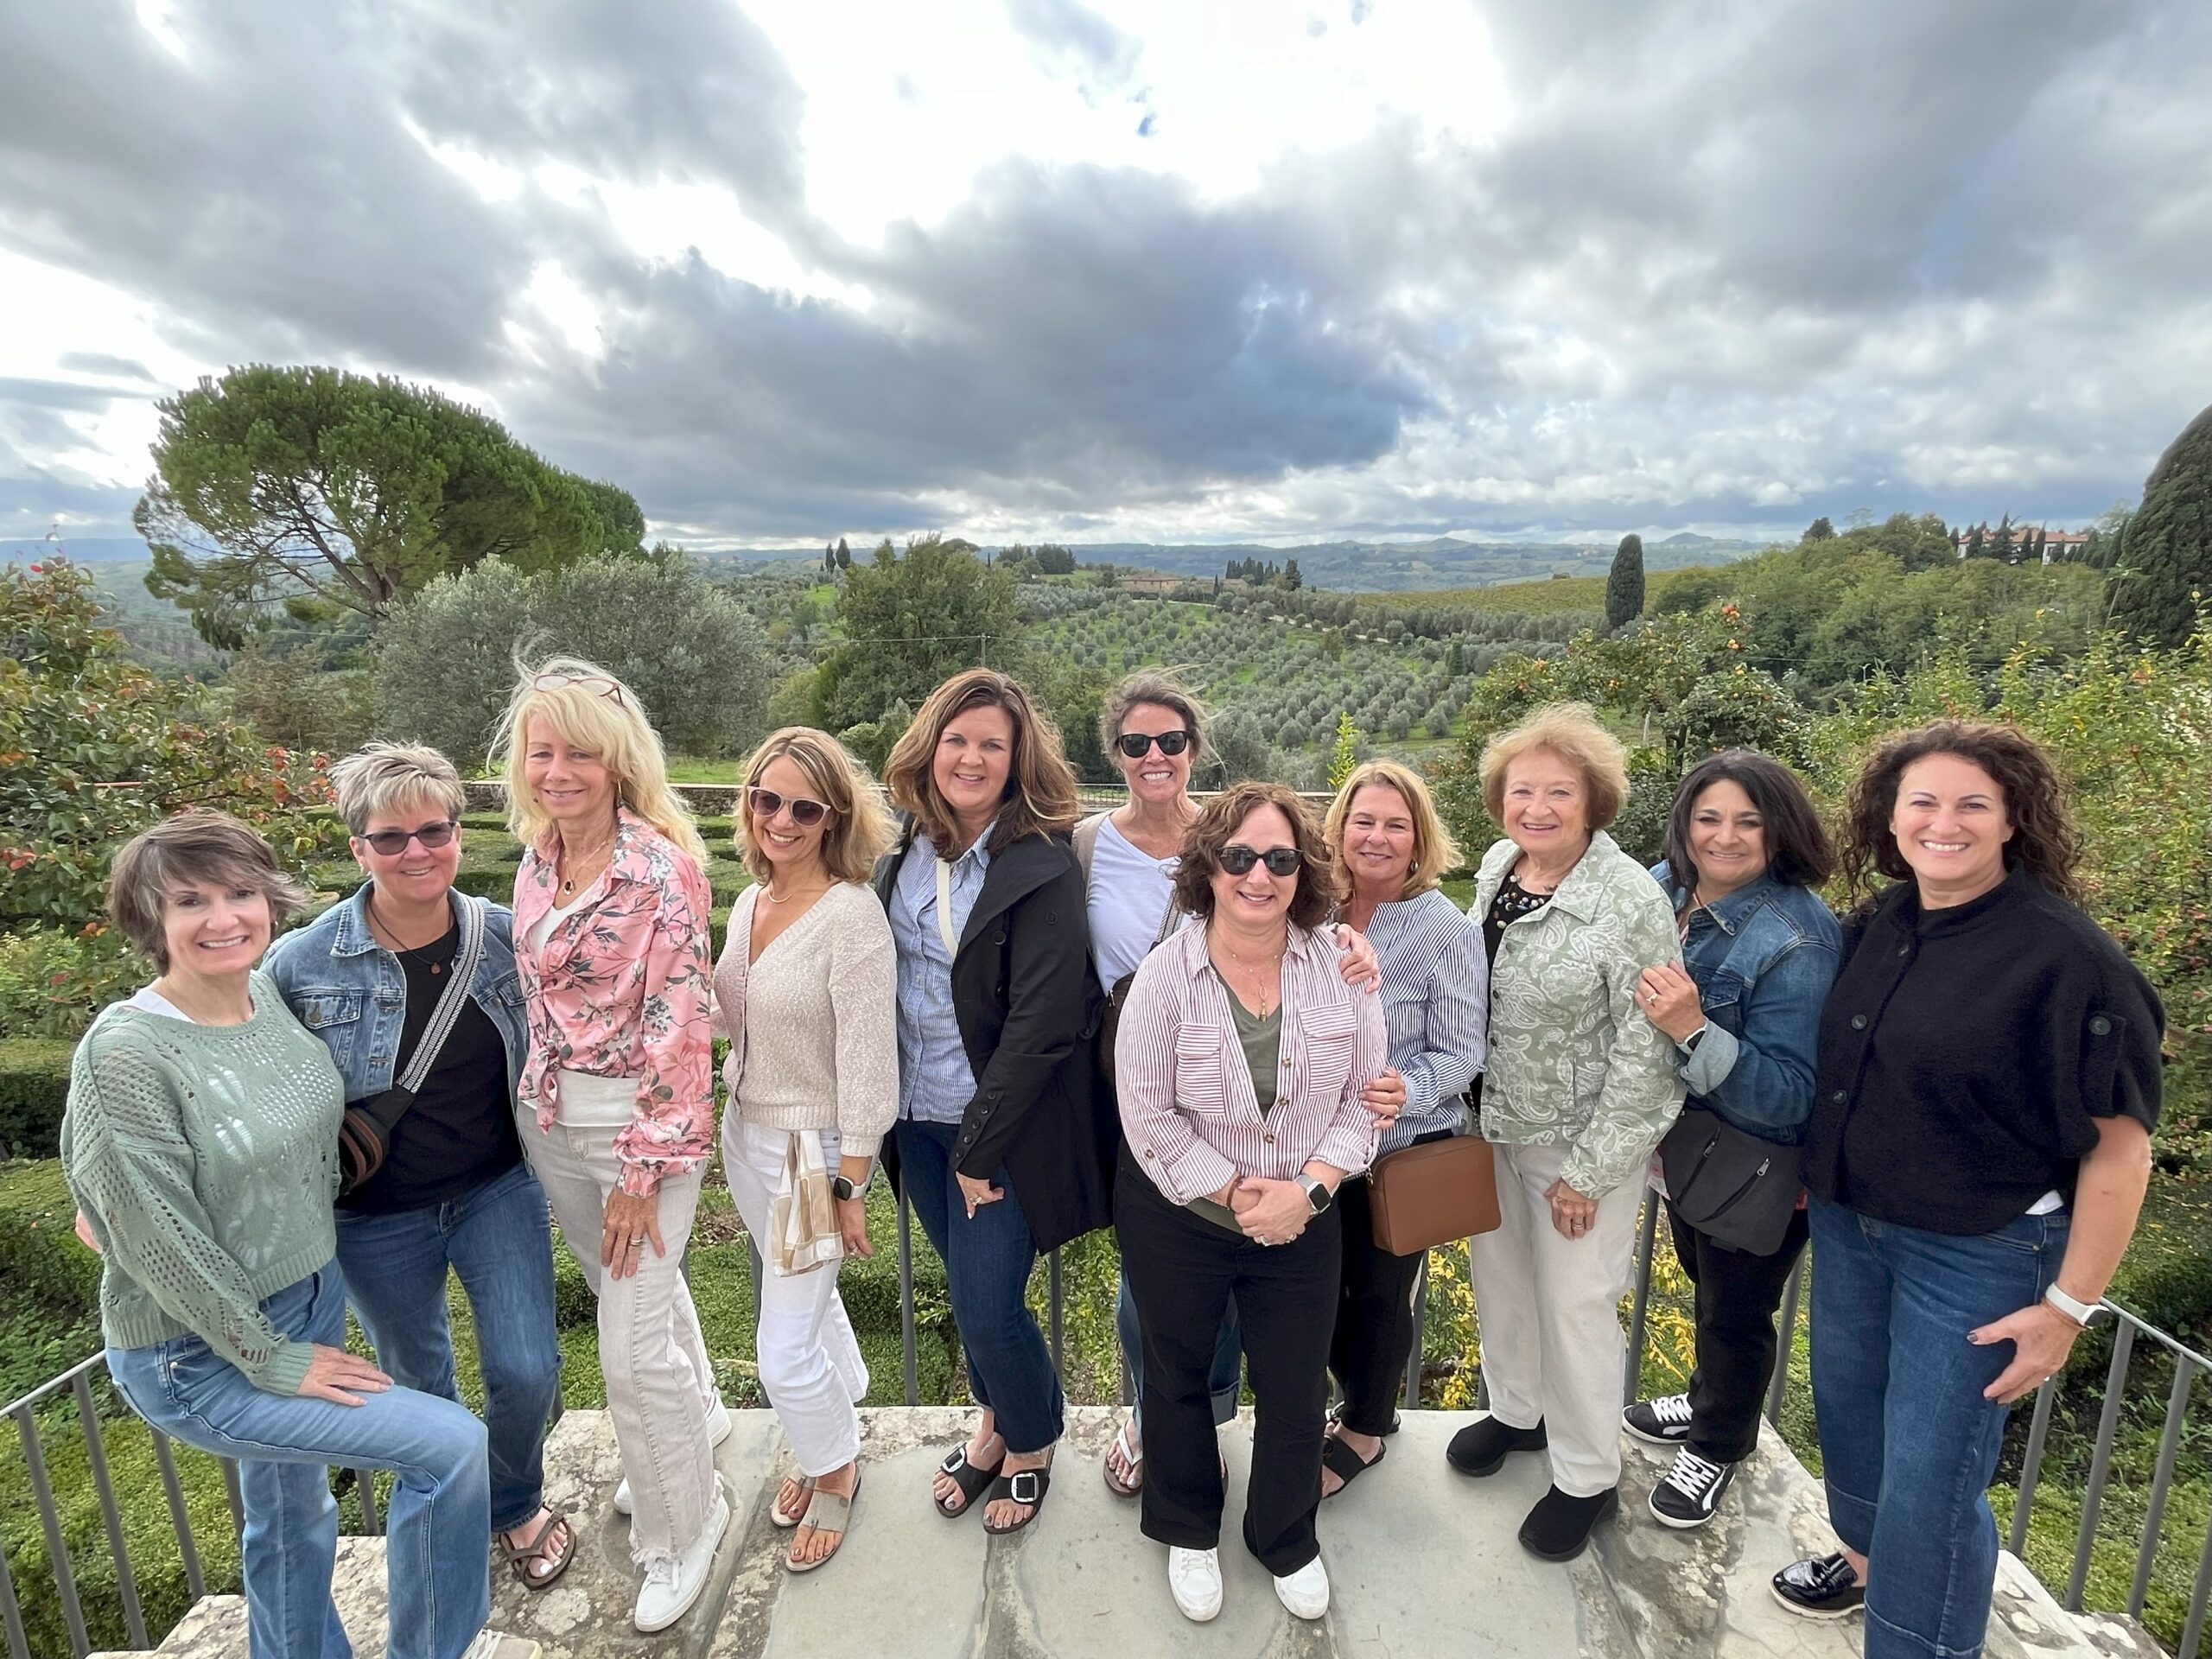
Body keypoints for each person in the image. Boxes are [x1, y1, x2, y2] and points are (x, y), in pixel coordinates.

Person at [61, 810, 537, 1659]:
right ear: (150, 921)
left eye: (242, 893)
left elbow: (291, 1152)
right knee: (452, 1447)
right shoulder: (127, 1049)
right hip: (201, 1354)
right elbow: (157, 1229)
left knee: (293, 1520)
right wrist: (267, 1355)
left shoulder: (264, 1001)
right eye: (190, 901)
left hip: (307, 1303)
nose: (223, 918)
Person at [1771, 721, 2163, 1659]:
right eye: (1922, 803)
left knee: (1932, 1480)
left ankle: (1917, 1641)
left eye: (1970, 805)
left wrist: (2067, 1306)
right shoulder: (1883, 922)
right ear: (1889, 817)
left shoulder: (2071, 960)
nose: (1942, 824)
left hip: (1978, 1250)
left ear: (2012, 820)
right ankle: (1865, 1566)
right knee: (1852, 1427)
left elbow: (2120, 1152)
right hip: (1854, 1225)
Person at [265, 744, 571, 1589]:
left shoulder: (507, 941)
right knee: (420, 1385)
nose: (415, 852)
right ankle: (451, 1516)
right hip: (374, 1219)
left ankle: (513, 1501)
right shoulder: (301, 962)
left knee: (525, 1368)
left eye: (432, 831)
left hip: (494, 1191)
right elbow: (235, 1060)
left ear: (456, 834)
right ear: (358, 848)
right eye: (390, 838)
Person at [1116, 781, 1388, 1624]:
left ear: (1300, 871)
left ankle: (1285, 1537)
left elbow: (1364, 1099)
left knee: (1296, 1385)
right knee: (1176, 1376)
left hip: (1303, 1217)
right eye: (1239, 857)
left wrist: (1304, 1192)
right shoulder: (1167, 974)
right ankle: (1189, 1528)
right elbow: (1146, 1110)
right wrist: (1237, 1191)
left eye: (1277, 858)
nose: (1258, 876)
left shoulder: (1340, 966)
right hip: (1183, 1217)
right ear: (1210, 867)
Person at [494, 659, 729, 1635]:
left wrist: (642, 1170)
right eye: (541, 751)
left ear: (618, 760)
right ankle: (704, 1422)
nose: (558, 770)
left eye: (580, 752)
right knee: (633, 1300)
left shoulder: (659, 868)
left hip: (637, 1131)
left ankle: (686, 1524)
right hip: (550, 1121)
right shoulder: (538, 855)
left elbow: (683, 1026)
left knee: (628, 1359)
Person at [873, 667, 1112, 1537]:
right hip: (916, 1120)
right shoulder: (902, 847)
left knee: (985, 1303)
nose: (970, 757)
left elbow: (1044, 1021)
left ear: (1017, 764)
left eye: (992, 746)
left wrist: (980, 1147)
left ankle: (1034, 1441)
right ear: (930, 747)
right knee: (970, 1292)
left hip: (996, 1132)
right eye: (957, 739)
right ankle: (996, 1424)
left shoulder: (1038, 865)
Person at [1450, 702, 1685, 1563]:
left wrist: (1591, 1172)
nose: (1537, 808)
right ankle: (1517, 1411)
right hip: (1493, 1125)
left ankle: (1586, 1477)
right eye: (1522, 791)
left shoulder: (1628, 900)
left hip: (1577, 1144)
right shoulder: (1498, 867)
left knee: (1575, 1304)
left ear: (1594, 802)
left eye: (1559, 792)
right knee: (1503, 1280)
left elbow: (1648, 1048)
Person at [1618, 750, 1840, 1529]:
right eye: (1709, 817)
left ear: (1780, 831)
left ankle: (1718, 1442)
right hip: (1689, 1154)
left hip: (1759, 1164)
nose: (1726, 837)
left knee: (1736, 1312)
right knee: (1705, 1285)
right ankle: (1709, 1399)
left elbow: (1791, 1097)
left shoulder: (1796, 939)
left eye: (1749, 821)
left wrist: (1692, 1030)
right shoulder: (1662, 888)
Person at [711, 727, 899, 1572]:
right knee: (806, 1303)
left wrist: (849, 1182)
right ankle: (841, 1403)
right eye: (764, 798)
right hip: (744, 1136)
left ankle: (834, 1468)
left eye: (802, 806)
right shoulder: (752, 900)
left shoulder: (850, 915)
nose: (779, 818)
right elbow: (731, 1017)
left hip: (807, 1154)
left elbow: (867, 1060)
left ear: (832, 818)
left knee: (782, 1348)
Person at [1319, 760, 1487, 1498]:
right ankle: (1352, 1403)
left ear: (1419, 838)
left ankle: (1365, 1427)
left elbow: (1462, 1051)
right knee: (1317, 1296)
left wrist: (1406, 1089)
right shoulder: (1311, 907)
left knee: (1380, 1298)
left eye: (1395, 824)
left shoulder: (1444, 928)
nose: (1377, 837)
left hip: (1395, 1154)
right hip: (1315, 1153)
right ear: (1340, 828)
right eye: (1364, 821)